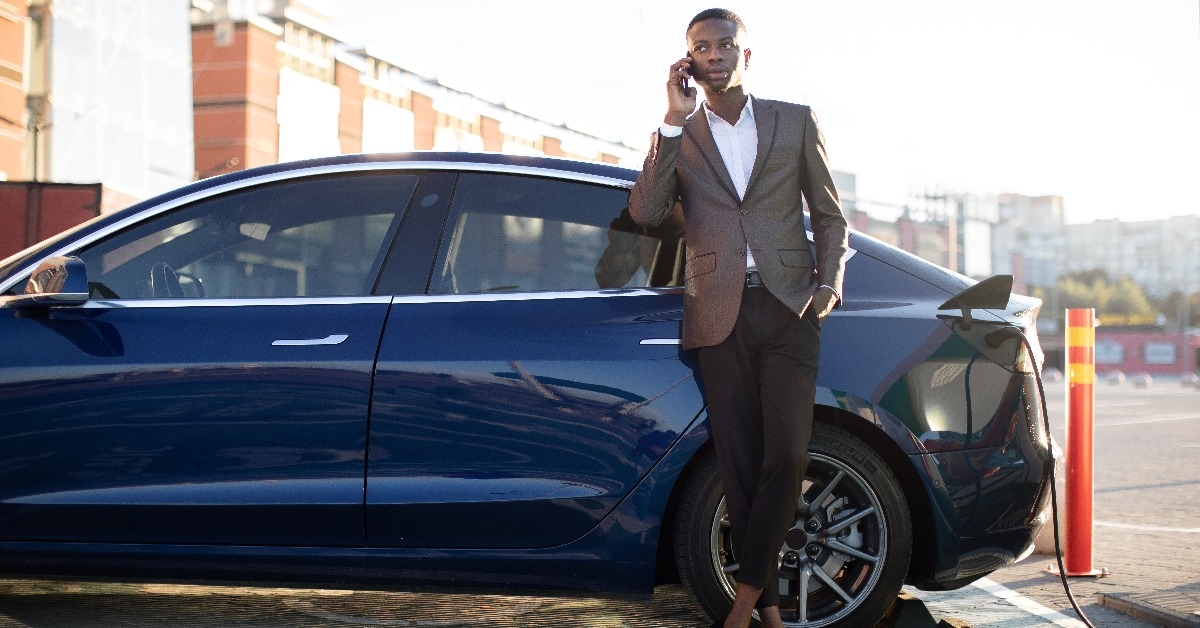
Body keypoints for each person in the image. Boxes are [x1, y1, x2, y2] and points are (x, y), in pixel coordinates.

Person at [628, 8, 849, 628]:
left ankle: (743, 602)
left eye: (726, 44)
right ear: (688, 61)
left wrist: (826, 288)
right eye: (702, 46)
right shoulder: (683, 133)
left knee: (787, 456)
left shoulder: (793, 120)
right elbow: (646, 212)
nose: (716, 54)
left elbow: (830, 215)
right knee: (739, 465)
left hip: (787, 307)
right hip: (716, 313)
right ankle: (771, 612)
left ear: (746, 54)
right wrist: (671, 122)